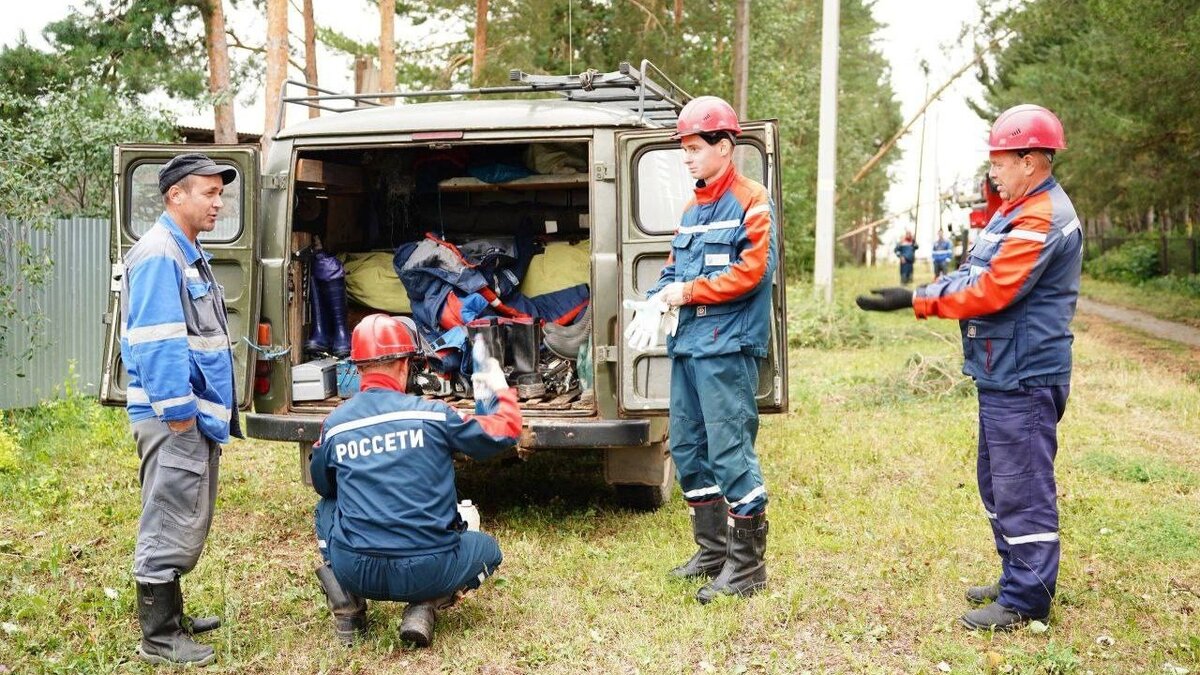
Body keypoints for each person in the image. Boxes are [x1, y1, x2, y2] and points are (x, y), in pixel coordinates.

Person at [856, 104, 1082, 631]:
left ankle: (1027, 600)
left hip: (1025, 370)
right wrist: (930, 291)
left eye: (1001, 160)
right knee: (997, 481)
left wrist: (916, 299)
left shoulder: (1041, 214)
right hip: (1001, 366)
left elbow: (994, 290)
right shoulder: (1011, 209)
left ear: (1031, 160)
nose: (993, 170)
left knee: (1021, 485)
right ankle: (1019, 575)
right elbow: (970, 271)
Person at [625, 95, 777, 604]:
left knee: (730, 449)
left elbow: (753, 273)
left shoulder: (753, 200)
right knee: (688, 449)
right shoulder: (691, 210)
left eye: (694, 148)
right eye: (684, 149)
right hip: (689, 344)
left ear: (725, 146)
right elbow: (673, 270)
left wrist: (686, 293)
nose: (687, 157)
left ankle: (747, 567)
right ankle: (712, 553)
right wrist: (654, 301)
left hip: (727, 346)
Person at [310, 314, 520, 647]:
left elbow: (324, 487)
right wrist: (491, 372)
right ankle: (425, 604)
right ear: (405, 364)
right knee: (488, 551)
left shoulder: (334, 426)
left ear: (358, 367)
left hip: (356, 570)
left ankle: (347, 605)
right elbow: (505, 431)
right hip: (429, 571)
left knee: (326, 507)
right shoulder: (434, 415)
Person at [120, 153, 240, 665]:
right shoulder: (159, 254)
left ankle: (171, 616)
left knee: (183, 512)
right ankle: (159, 637)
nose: (218, 204)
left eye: (220, 194)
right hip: (175, 416)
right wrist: (179, 413)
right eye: (209, 194)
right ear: (176, 195)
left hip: (190, 414)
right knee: (169, 515)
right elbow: (158, 341)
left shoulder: (186, 250)